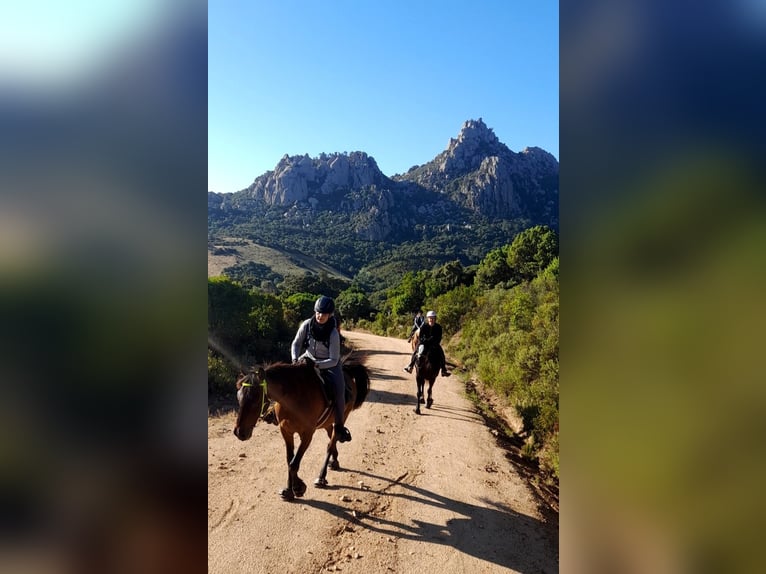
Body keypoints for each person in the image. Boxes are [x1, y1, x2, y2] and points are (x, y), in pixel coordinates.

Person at [291, 295, 352, 443]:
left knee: (339, 391)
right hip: (308, 358)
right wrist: (294, 359)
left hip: (329, 365)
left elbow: (334, 359)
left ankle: (339, 427)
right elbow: (296, 344)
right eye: (318, 312)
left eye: (324, 314)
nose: (320, 316)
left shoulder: (333, 333)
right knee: (288, 379)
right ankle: (274, 412)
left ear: (330, 314)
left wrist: (317, 365)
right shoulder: (306, 324)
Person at [403, 310, 450, 377]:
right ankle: (411, 366)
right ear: (428, 319)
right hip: (424, 343)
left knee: (441, 353)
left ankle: (443, 370)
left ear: (435, 319)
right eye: (430, 318)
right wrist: (425, 341)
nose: (431, 319)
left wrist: (434, 342)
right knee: (416, 351)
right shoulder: (424, 327)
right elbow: (421, 337)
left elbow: (439, 337)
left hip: (434, 344)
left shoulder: (438, 327)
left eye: (433, 318)